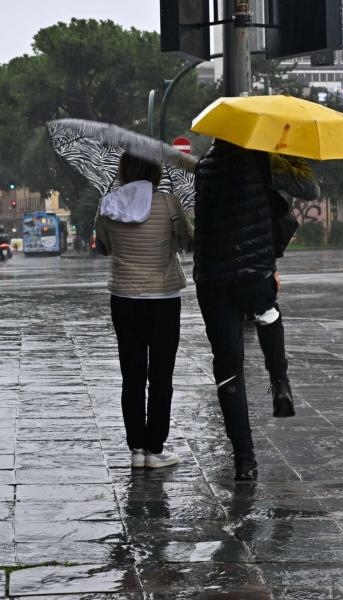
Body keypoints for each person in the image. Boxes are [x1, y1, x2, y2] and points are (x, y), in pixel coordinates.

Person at [193, 139, 319, 481]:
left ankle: (244, 460)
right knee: (269, 314)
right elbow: (309, 188)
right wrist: (287, 151)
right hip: (256, 273)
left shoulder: (204, 166)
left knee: (228, 367)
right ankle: (279, 380)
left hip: (213, 280)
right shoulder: (265, 160)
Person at [95, 153, 193, 469]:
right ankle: (155, 447)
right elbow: (187, 242)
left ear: (123, 171)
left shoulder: (108, 204)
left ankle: (136, 449)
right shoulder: (168, 203)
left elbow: (104, 247)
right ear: (155, 171)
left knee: (132, 374)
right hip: (163, 298)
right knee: (161, 375)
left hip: (124, 297)